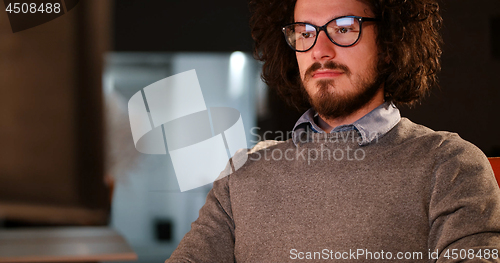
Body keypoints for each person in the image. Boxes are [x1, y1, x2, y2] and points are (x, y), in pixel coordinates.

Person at [166, 0, 500, 262]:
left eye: (343, 28)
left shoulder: (451, 166)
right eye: (305, 32)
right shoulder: (242, 172)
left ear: (388, 42)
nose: (320, 51)